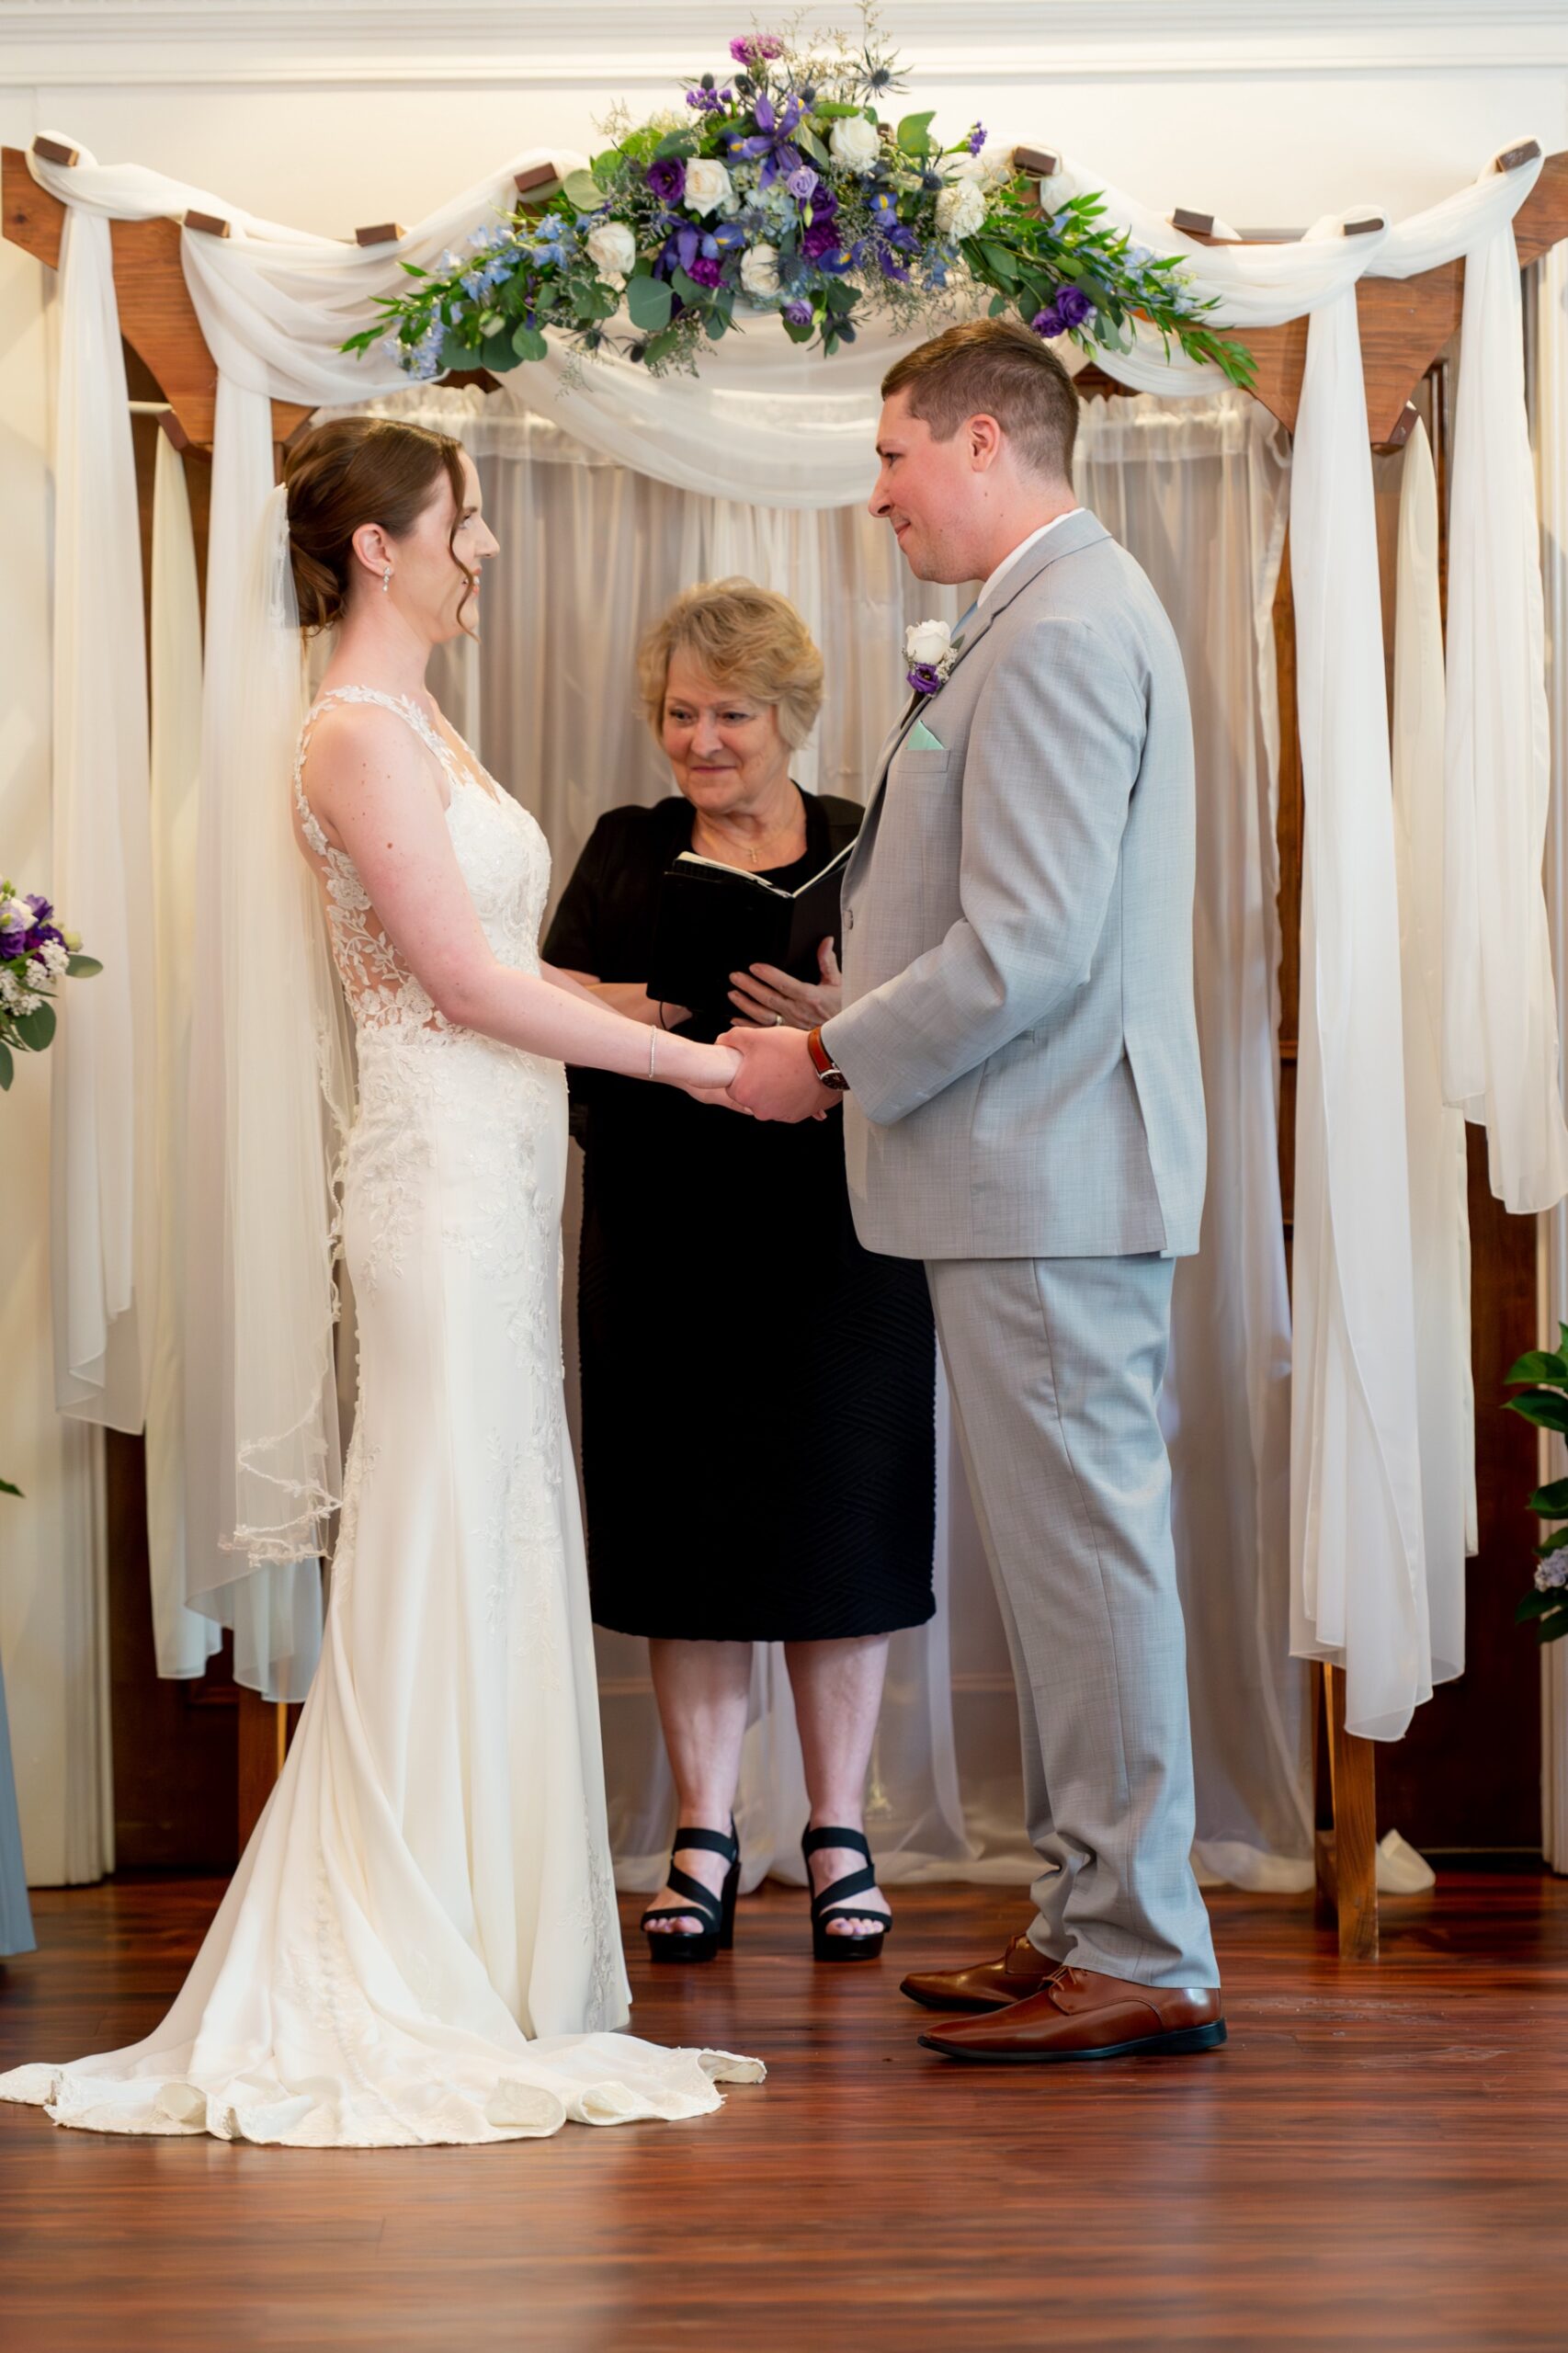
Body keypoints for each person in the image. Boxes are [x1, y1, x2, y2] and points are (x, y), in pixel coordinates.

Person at [0, 417, 762, 2146]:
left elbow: (488, 961)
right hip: (434, 1185)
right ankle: (397, 1956)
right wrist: (715, 1075)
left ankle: (491, 1952)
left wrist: (624, 1008)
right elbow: (457, 992)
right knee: (440, 1529)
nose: (481, 548)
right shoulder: (352, 734)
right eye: (462, 521)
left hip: (493, 1175)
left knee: (494, 1527)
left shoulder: (416, 722)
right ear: (377, 550)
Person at [724, 319, 1226, 2063]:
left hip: (1053, 1171)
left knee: (1086, 1569)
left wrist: (841, 1057)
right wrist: (850, 1001)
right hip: (1024, 1171)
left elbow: (1027, 947)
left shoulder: (1069, 625)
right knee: (1064, 1568)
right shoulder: (1034, 617)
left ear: (982, 446)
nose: (876, 495)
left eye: (890, 456)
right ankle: (1085, 1916)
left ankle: (1146, 1955)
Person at [544, 581, 936, 1966]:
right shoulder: (626, 848)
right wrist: (657, 1008)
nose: (701, 740)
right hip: (667, 1227)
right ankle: (700, 1832)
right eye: (678, 714)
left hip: (842, 1229)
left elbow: (944, 994)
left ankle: (839, 1830)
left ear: (790, 717)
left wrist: (842, 1025)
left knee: (845, 1517)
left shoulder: (868, 841)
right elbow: (533, 995)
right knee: (688, 1527)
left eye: (730, 713)